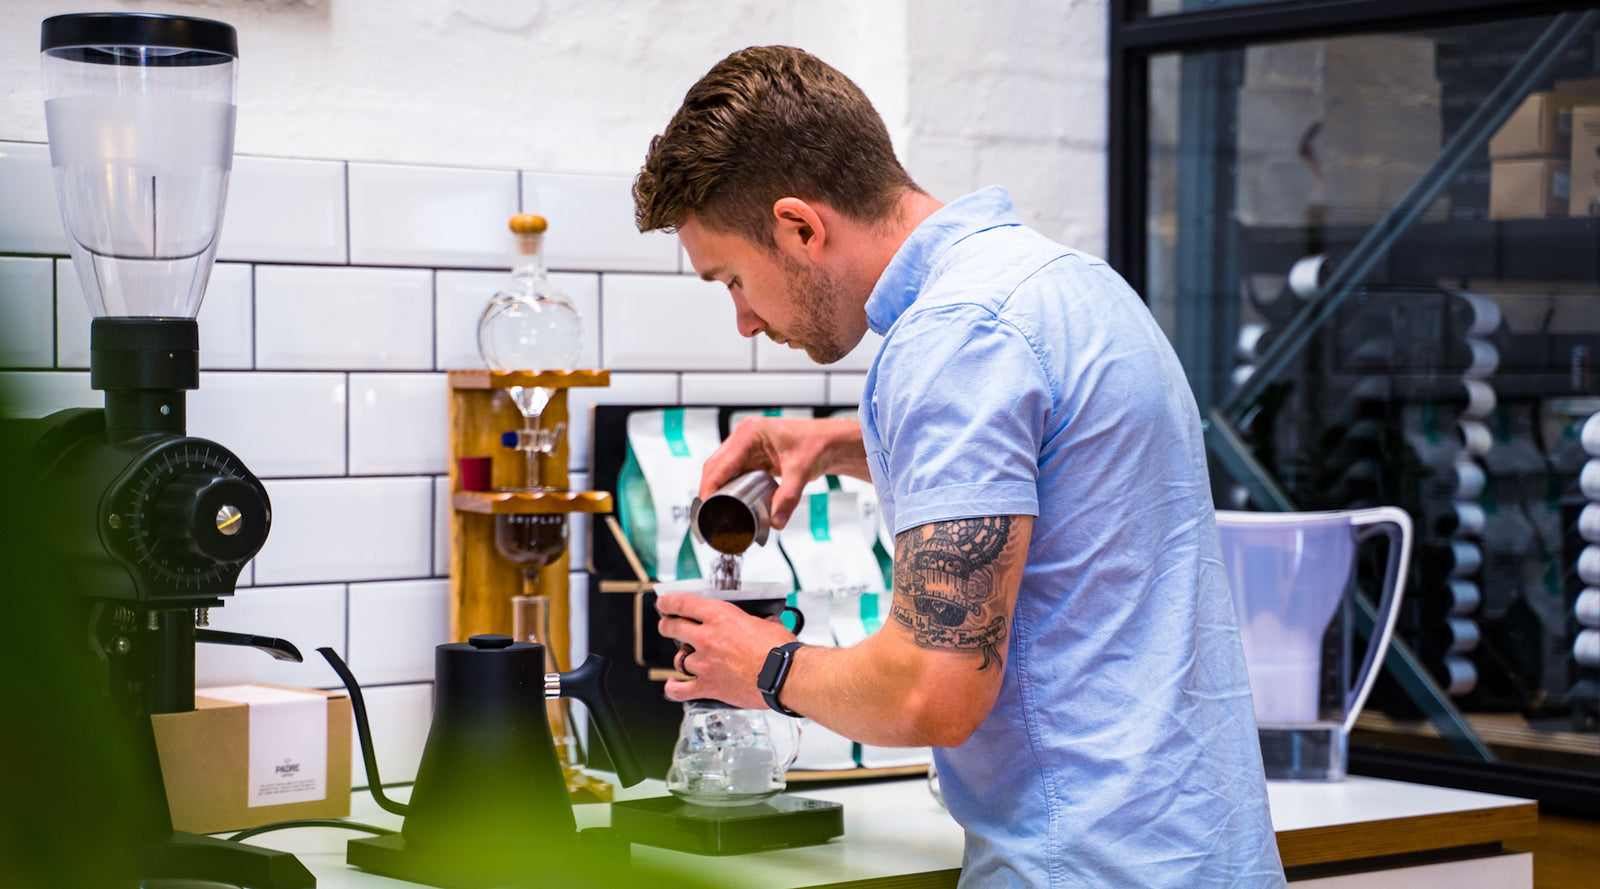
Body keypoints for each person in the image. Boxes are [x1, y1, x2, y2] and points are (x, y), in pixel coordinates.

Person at [634, 45, 1286, 888]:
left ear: (800, 227)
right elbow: (1052, 474)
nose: (745, 322)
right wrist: (837, 444)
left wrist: (764, 662)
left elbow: (929, 690)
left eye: (733, 279)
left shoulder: (955, 339)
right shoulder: (1068, 286)